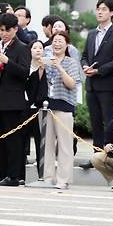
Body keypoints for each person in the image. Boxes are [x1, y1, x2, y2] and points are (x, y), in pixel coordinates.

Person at [0, 13, 32, 186]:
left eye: (7, 30)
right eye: (1, 30)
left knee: (13, 140)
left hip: (12, 101)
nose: (4, 33)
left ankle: (14, 176)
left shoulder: (22, 48)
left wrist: (7, 61)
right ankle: (2, 174)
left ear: (15, 29)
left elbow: (25, 72)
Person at [80, 0, 113, 168]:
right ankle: (97, 157)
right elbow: (84, 55)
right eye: (98, 9)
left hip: (107, 85)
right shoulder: (91, 34)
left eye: (104, 9)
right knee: (95, 122)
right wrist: (85, 66)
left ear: (112, 13)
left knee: (109, 121)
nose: (100, 12)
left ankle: (112, 156)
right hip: (91, 85)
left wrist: (99, 71)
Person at [41, 31, 81, 190]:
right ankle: (47, 177)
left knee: (65, 145)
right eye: (54, 41)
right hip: (46, 106)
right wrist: (41, 66)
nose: (57, 44)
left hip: (64, 106)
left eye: (60, 41)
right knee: (47, 144)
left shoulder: (71, 62)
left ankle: (63, 179)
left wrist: (59, 67)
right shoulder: (47, 60)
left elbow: (72, 84)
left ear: (67, 45)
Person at [25, 40, 48, 180]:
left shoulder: (47, 66)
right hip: (26, 106)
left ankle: (42, 173)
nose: (38, 50)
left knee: (41, 140)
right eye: (35, 47)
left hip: (41, 108)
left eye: (41, 47)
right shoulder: (25, 65)